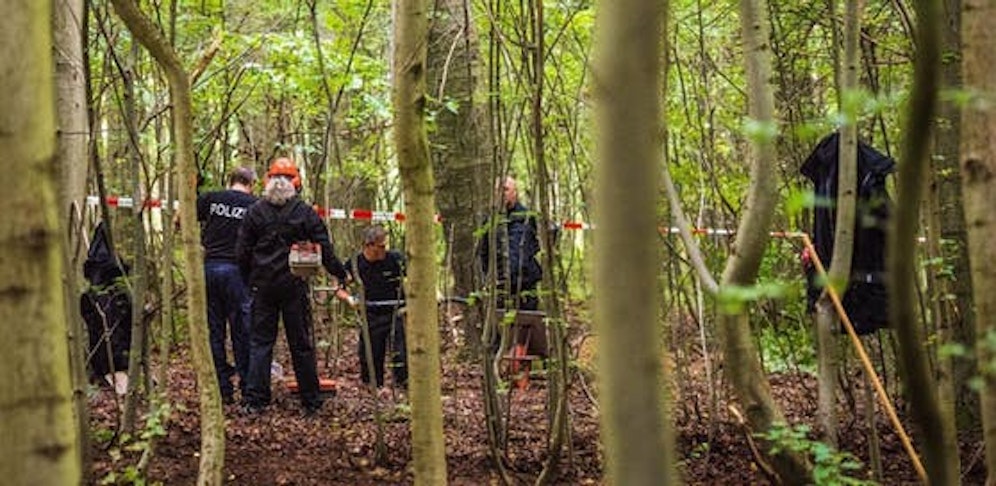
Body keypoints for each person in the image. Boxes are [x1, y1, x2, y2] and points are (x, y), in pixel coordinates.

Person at [236, 157, 348, 416]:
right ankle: (311, 400)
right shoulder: (305, 213)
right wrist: (340, 273)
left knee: (261, 343)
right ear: (296, 183)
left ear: (268, 181)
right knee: (300, 344)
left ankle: (255, 401)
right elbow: (325, 248)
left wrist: (248, 280)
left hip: (262, 286)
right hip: (294, 286)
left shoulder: (255, 212)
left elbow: (241, 252)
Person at [196, 166, 258, 404]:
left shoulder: (211, 199)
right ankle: (246, 386)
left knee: (215, 331)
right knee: (242, 331)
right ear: (250, 183)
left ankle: (222, 389)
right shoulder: (254, 205)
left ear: (229, 181)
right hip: (239, 273)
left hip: (209, 269)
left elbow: (182, 220)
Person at [341, 225, 408, 391]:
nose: (384, 250)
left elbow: (414, 277)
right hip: (370, 314)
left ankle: (403, 388)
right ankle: (373, 389)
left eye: (385, 246)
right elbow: (338, 286)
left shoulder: (395, 259)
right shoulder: (355, 263)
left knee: (401, 354)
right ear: (368, 245)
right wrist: (349, 299)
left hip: (396, 312)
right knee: (370, 355)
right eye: (380, 246)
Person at [80, 222, 132, 396]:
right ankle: (113, 368)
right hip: (109, 347)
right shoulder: (104, 282)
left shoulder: (115, 283)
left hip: (116, 342)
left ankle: (116, 367)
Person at [477, 176, 543, 311]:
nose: (502, 194)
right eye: (498, 191)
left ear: (515, 193)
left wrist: (503, 280)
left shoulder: (525, 218)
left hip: (523, 290)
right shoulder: (490, 221)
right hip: (498, 292)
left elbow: (519, 256)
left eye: (506, 190)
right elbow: (484, 253)